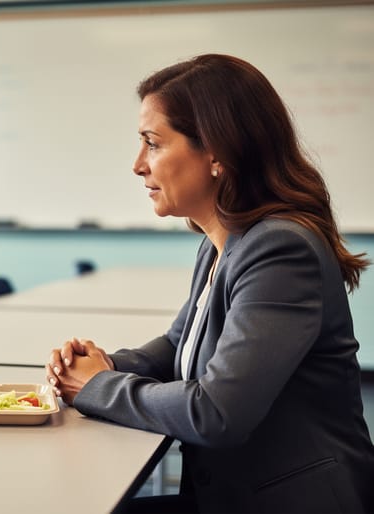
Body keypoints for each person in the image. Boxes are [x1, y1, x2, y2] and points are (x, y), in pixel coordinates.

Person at [46, 54, 374, 513]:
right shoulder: (224, 238)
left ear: (217, 151)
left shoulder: (280, 249)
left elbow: (216, 413)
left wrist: (98, 386)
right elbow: (179, 345)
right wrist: (98, 366)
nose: (138, 164)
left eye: (153, 144)